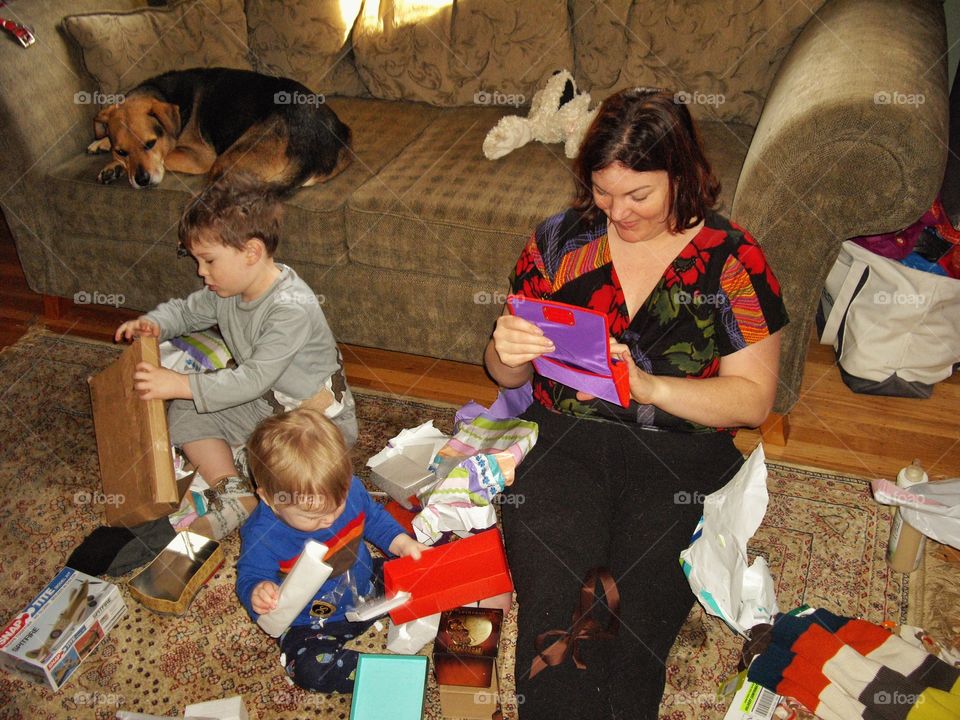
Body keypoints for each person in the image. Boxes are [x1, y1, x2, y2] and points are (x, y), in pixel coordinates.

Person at [484, 88, 788, 718]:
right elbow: (503, 370)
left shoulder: (734, 261)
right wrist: (506, 350)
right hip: (563, 440)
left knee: (636, 619)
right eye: (602, 191)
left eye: (638, 195)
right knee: (555, 617)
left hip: (680, 457)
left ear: (682, 175)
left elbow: (754, 401)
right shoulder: (560, 242)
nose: (617, 212)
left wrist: (649, 387)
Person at [115, 173, 357, 539]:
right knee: (185, 409)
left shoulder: (290, 308)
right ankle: (233, 490)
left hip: (315, 424)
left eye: (208, 260)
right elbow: (186, 311)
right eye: (196, 260)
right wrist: (154, 324)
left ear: (251, 252)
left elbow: (253, 378)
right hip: (264, 406)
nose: (201, 272)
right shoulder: (226, 290)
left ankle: (249, 464)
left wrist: (180, 382)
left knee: (295, 476)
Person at [236, 407, 426, 692]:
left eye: (337, 505)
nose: (330, 519)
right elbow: (249, 575)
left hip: (365, 584)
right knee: (312, 670)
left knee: (423, 562)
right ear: (269, 499)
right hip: (310, 623)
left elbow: (373, 518)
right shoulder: (263, 534)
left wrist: (401, 543)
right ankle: (379, 675)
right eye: (313, 516)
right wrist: (257, 592)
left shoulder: (348, 489)